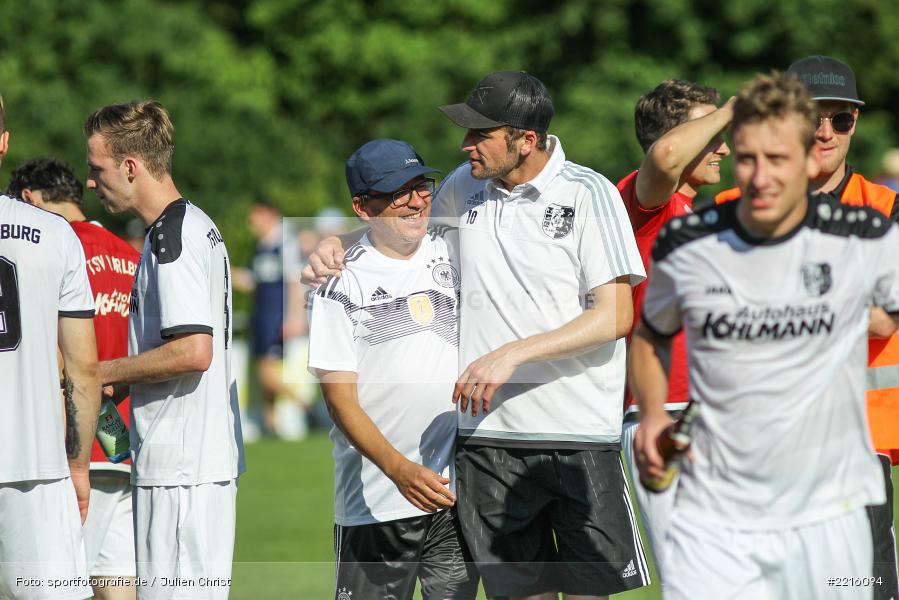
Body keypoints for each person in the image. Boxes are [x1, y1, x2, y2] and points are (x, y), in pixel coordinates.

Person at [306, 72, 649, 599]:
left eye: (480, 134)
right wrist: (337, 242)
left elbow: (614, 317)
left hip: (579, 433)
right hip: (488, 440)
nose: (466, 145)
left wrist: (512, 355)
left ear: (525, 140)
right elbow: (401, 224)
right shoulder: (464, 186)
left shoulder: (589, 192)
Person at [632, 70, 899, 599]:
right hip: (722, 482)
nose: (760, 174)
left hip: (836, 484)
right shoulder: (696, 235)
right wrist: (654, 414)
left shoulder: (868, 231)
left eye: (776, 159)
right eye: (749, 157)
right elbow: (649, 333)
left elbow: (887, 320)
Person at [716, 55, 899, 599]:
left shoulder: (886, 210)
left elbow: (886, 316)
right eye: (812, 115)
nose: (826, 132)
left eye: (840, 119)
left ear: (854, 124)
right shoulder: (732, 209)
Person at [85, 100, 245, 599]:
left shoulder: (170, 238)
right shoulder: (189, 224)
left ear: (130, 167)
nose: (92, 182)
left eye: (97, 168)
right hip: (190, 465)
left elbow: (194, 351)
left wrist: (101, 370)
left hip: (182, 469)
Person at [307, 139, 477, 600]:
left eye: (420, 185)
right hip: (374, 506)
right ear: (363, 207)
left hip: (452, 499)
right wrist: (399, 470)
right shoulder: (337, 282)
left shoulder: (452, 247)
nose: (415, 200)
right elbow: (339, 401)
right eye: (396, 191)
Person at [8, 157, 140, 600]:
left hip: (74, 435)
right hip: (124, 434)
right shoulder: (129, 252)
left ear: (28, 198)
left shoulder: (51, 244)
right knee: (118, 581)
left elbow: (63, 356)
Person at [617, 80, 733, 569]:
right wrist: (734, 107)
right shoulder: (644, 197)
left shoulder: (691, 212)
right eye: (710, 134)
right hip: (665, 411)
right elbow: (664, 156)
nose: (723, 146)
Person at [0, 97, 101, 600]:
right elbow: (83, 368)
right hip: (36, 465)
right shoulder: (55, 233)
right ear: (3, 142)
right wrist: (79, 465)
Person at [233, 199, 308, 438]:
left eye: (256, 216)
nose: (251, 222)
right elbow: (254, 281)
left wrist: (294, 317)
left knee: (265, 372)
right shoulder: (261, 246)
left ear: (269, 214)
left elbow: (295, 282)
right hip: (262, 315)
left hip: (276, 316)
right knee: (264, 372)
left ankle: (307, 408)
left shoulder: (285, 242)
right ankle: (270, 424)